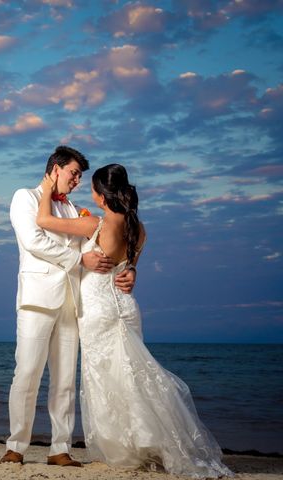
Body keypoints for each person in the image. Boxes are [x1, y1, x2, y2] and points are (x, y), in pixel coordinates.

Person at [36, 164, 233, 478]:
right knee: (131, 370)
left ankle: (131, 444)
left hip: (99, 306)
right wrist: (134, 272)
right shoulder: (139, 228)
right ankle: (149, 439)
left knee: (106, 375)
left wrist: (46, 191)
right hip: (126, 306)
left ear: (101, 196)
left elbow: (43, 221)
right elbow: (129, 267)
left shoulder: (95, 224)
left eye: (93, 190)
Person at [1, 147, 136, 466]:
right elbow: (34, 240)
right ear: (55, 169)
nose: (77, 180)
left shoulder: (75, 210)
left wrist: (128, 270)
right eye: (74, 173)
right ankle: (16, 446)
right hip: (37, 299)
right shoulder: (25, 197)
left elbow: (100, 248)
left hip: (73, 301)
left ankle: (60, 448)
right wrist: (78, 259)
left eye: (79, 176)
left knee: (65, 379)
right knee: (27, 374)